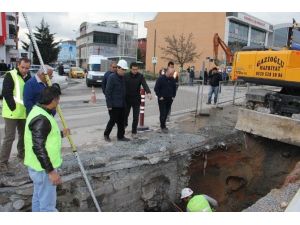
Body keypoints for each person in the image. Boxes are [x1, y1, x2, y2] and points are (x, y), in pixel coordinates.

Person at [24, 86, 70, 212]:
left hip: (37, 166)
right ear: (54, 100)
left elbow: (44, 137)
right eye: (58, 99)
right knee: (48, 207)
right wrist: (51, 172)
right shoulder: (41, 119)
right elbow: (38, 147)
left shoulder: (38, 111)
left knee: (38, 198)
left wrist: (60, 134)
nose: (59, 102)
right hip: (43, 169)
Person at [0, 58, 31, 170]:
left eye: (27, 68)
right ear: (18, 65)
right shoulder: (10, 75)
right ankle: (2, 162)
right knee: (10, 137)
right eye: (23, 67)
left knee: (24, 136)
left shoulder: (28, 76)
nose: (25, 70)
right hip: (11, 113)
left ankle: (21, 155)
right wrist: (12, 107)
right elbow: (6, 92)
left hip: (23, 112)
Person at [104, 59, 130, 142]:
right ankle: (106, 135)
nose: (124, 71)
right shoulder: (112, 78)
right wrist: (109, 105)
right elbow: (108, 92)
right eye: (123, 69)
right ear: (118, 68)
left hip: (122, 104)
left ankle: (121, 136)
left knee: (121, 122)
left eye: (125, 70)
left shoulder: (123, 78)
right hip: (114, 105)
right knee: (112, 121)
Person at [124, 62, 152, 138]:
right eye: (133, 69)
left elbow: (144, 84)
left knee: (136, 117)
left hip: (136, 99)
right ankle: (124, 126)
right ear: (130, 69)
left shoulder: (140, 76)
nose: (135, 71)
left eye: (136, 69)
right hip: (127, 99)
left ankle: (134, 132)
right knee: (125, 115)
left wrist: (148, 92)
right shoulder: (125, 76)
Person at [154, 67, 177, 133]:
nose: (171, 75)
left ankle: (163, 124)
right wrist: (160, 96)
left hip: (170, 99)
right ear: (166, 72)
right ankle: (163, 126)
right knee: (163, 113)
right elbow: (156, 88)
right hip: (162, 99)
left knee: (166, 113)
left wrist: (173, 96)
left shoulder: (172, 79)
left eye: (172, 74)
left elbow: (174, 88)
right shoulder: (160, 79)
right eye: (170, 73)